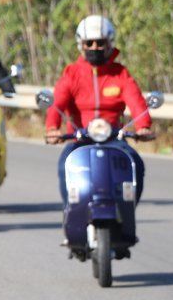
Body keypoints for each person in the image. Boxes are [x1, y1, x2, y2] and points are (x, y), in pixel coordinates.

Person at [45, 15, 154, 205]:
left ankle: (127, 212)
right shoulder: (72, 73)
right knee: (65, 166)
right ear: (82, 45)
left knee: (135, 163)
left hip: (114, 138)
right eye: (90, 43)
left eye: (100, 43)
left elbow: (136, 101)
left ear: (109, 43)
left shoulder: (120, 73)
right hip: (80, 139)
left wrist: (143, 125)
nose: (95, 47)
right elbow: (57, 103)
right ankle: (71, 210)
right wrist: (52, 128)